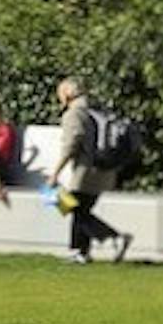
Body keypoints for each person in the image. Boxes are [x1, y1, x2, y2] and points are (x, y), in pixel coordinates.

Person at [51, 78, 129, 264]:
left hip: (85, 171)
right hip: (105, 169)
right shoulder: (97, 110)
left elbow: (71, 144)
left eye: (60, 93)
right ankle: (79, 252)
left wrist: (55, 172)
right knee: (79, 210)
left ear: (68, 94)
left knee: (70, 206)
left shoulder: (74, 114)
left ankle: (113, 238)